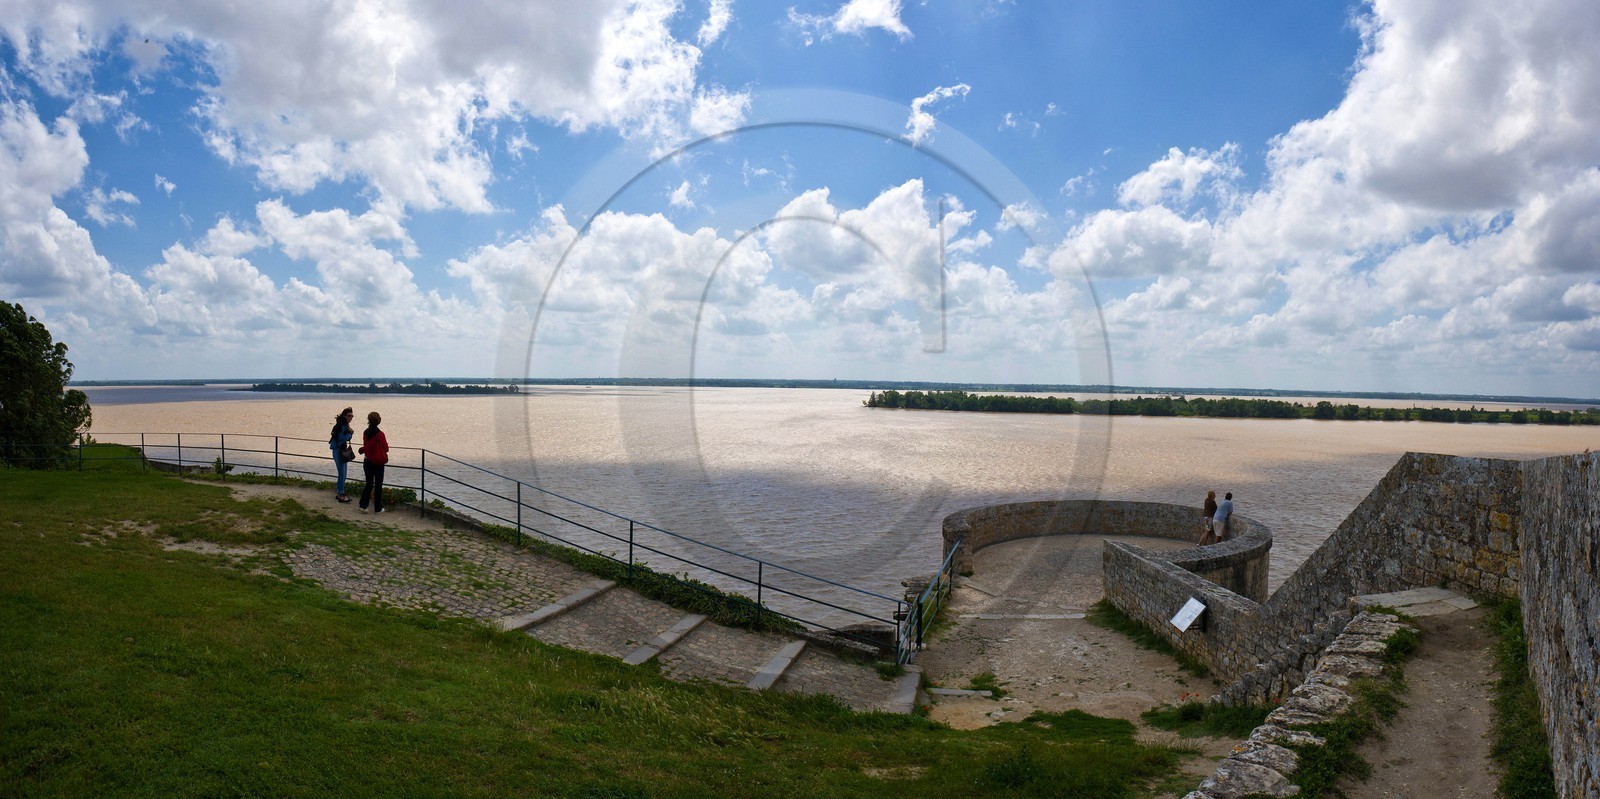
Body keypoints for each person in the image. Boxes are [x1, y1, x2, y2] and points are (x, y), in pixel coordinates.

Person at [358, 411, 390, 514]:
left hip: (367, 461)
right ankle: (378, 508)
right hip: (378, 462)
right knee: (378, 485)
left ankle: (363, 505)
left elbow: (367, 446)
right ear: (379, 421)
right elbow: (386, 448)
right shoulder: (380, 434)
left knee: (369, 484)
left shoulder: (365, 433)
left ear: (369, 420)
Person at [329, 407, 355, 503]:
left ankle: (340, 491)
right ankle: (341, 493)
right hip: (339, 451)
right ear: (344, 416)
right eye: (349, 416)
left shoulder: (341, 424)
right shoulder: (342, 425)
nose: (351, 417)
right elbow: (341, 438)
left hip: (338, 450)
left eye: (352, 416)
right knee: (342, 473)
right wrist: (350, 434)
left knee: (342, 472)